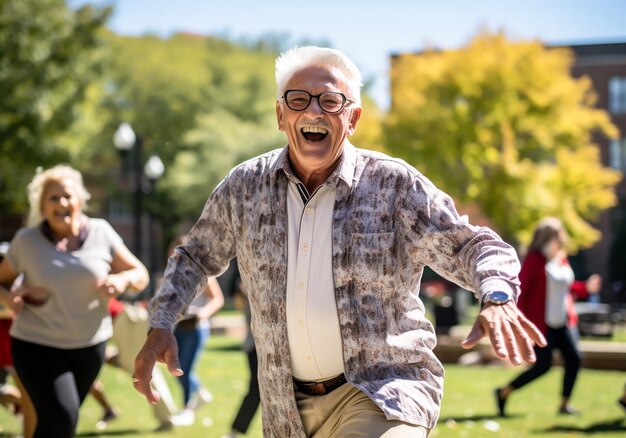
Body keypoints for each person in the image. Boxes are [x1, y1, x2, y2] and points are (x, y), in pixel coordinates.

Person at [133, 46, 546, 437]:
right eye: (298, 100)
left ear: (352, 119)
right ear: (280, 115)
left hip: (385, 391)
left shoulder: (393, 185)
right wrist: (162, 321)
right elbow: (195, 257)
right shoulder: (244, 187)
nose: (313, 110)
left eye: (330, 101)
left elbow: (473, 245)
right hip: (286, 408)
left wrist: (496, 296)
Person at [0, 164, 149, 437]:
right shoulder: (27, 241)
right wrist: (9, 297)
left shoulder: (101, 233)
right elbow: (1, 281)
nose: (62, 203)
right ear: (42, 206)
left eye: (68, 196)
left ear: (80, 201)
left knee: (56, 424)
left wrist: (121, 281)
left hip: (88, 347)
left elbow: (140, 274)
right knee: (61, 417)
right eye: (53, 198)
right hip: (36, 344)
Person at [494, 217, 601, 417]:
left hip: (563, 321)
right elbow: (521, 290)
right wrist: (517, 322)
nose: (561, 240)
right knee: (543, 366)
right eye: (558, 236)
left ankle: (564, 403)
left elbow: (566, 287)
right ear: (547, 237)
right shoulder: (535, 259)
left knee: (575, 359)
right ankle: (504, 392)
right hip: (542, 323)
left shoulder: (561, 258)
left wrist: (585, 287)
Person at [89, 297, 178, 431]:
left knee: (145, 372)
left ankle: (167, 418)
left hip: (125, 322)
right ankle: (167, 417)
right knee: (141, 369)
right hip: (124, 322)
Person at [168, 234, 225, 427]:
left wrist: (203, 313)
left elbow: (217, 299)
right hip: (178, 327)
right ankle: (200, 394)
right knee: (175, 368)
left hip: (196, 327)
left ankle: (187, 409)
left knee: (184, 369)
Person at [222, 282, 260, 438]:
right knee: (255, 391)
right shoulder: (252, 293)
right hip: (256, 349)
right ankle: (234, 431)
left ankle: (234, 431)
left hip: (255, 348)